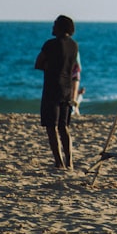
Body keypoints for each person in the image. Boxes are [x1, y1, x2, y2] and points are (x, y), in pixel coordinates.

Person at [35, 15, 80, 169]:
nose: (52, 28)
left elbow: (38, 63)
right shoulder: (74, 46)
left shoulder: (50, 45)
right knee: (64, 127)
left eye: (55, 25)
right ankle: (70, 161)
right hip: (67, 88)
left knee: (51, 126)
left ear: (61, 27)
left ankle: (59, 162)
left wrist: (48, 66)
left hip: (52, 87)